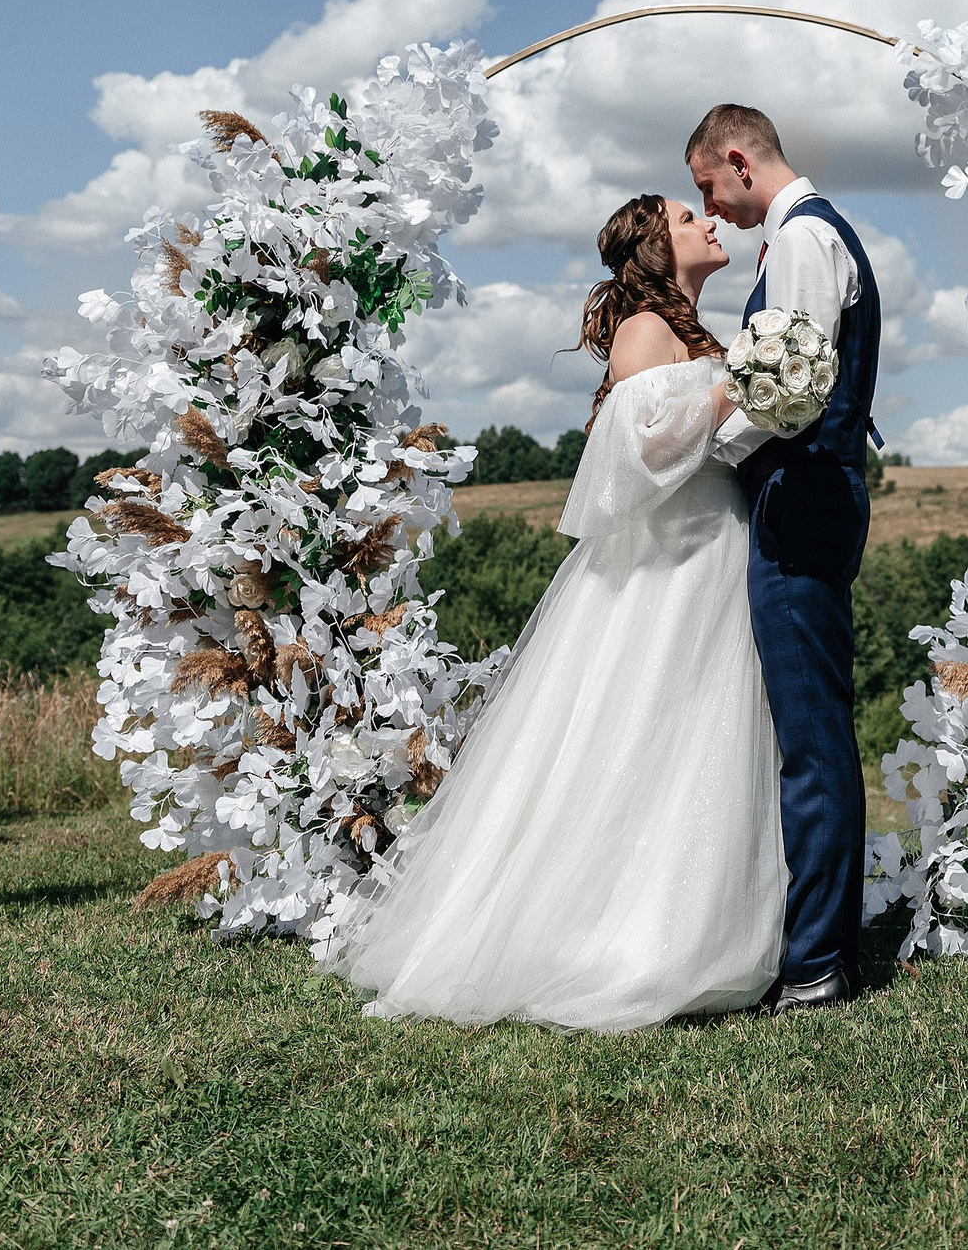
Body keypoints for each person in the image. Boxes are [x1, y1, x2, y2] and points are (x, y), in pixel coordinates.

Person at [320, 195, 785, 1030]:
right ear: (654, 247)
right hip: (667, 559)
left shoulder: (692, 330)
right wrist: (731, 395)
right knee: (645, 729)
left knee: (693, 737)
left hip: (710, 545)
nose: (709, 222)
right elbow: (639, 452)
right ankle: (616, 937)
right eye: (689, 217)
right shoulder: (647, 325)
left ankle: (685, 922)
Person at [686, 103, 882, 1015]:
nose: (713, 208)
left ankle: (816, 965)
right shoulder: (804, 236)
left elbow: (789, 392)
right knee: (810, 731)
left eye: (707, 188)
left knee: (810, 740)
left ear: (737, 158)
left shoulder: (803, 240)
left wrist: (706, 447)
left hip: (802, 500)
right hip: (809, 496)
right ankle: (820, 948)